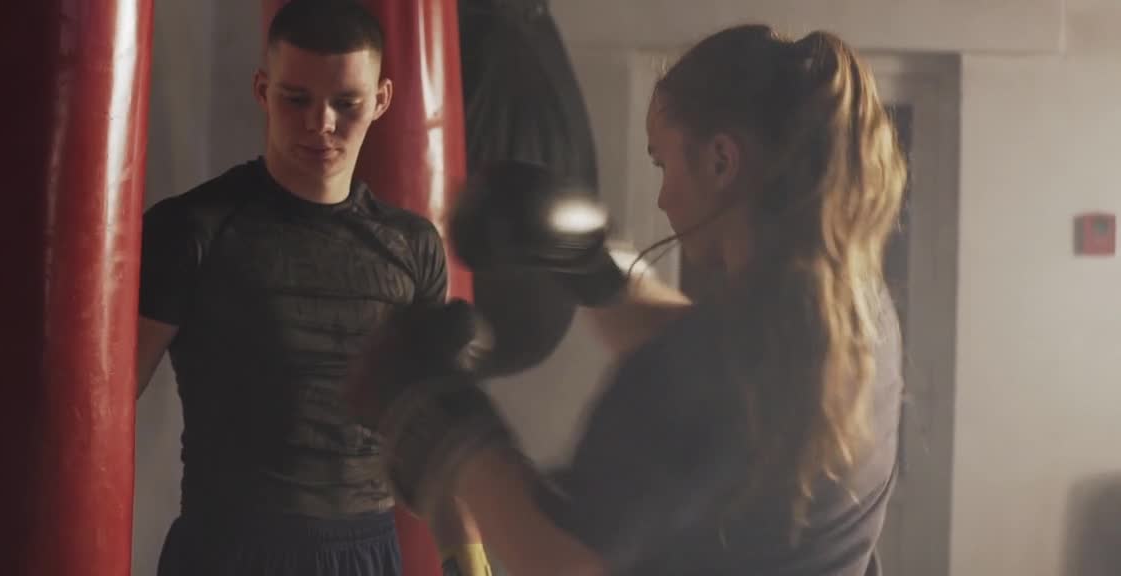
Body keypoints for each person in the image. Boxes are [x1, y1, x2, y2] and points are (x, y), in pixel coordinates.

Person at [352, 24, 908, 575]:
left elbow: (563, 560)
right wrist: (594, 267)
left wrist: (439, 419)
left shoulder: (702, 370)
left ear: (721, 161)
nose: (664, 197)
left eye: (665, 163)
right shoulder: (860, 310)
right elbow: (706, 386)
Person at [136, 1, 488, 574]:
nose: (320, 123)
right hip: (228, 549)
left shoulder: (412, 246)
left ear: (381, 101)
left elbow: (435, 424)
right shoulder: (194, 229)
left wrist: (470, 562)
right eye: (295, 98)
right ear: (262, 89)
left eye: (345, 103)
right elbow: (97, 405)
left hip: (365, 551)